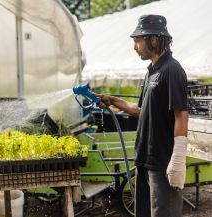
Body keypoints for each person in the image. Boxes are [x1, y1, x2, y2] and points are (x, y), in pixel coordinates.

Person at [94, 15, 188, 217]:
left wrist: (178, 159)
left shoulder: (172, 69)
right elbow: (141, 110)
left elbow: (181, 114)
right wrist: (114, 100)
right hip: (144, 159)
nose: (134, 46)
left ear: (154, 39)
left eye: (138, 40)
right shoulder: (151, 72)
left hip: (162, 163)